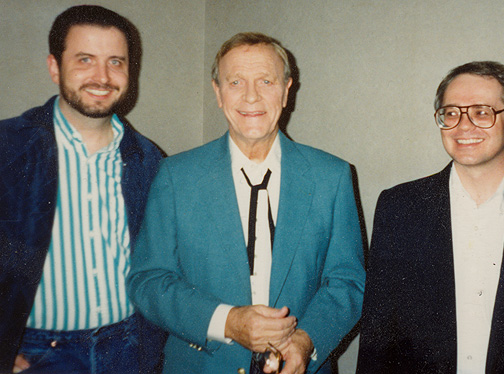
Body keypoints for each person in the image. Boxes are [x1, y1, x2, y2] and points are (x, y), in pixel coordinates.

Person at [127, 32, 365, 374]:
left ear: (286, 90)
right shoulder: (176, 176)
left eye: (266, 81)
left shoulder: (332, 176)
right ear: (218, 92)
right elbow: (148, 280)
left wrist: (305, 342)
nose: (251, 96)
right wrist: (227, 321)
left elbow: (348, 282)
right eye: (235, 81)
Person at [357, 61, 504, 373]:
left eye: (482, 112)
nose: (463, 126)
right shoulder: (400, 207)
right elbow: (378, 336)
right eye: (452, 112)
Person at [0, 5, 165, 373]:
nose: (102, 76)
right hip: (38, 354)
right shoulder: (7, 148)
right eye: (85, 60)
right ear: (54, 67)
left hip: (129, 348)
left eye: (116, 62)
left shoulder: (149, 160)